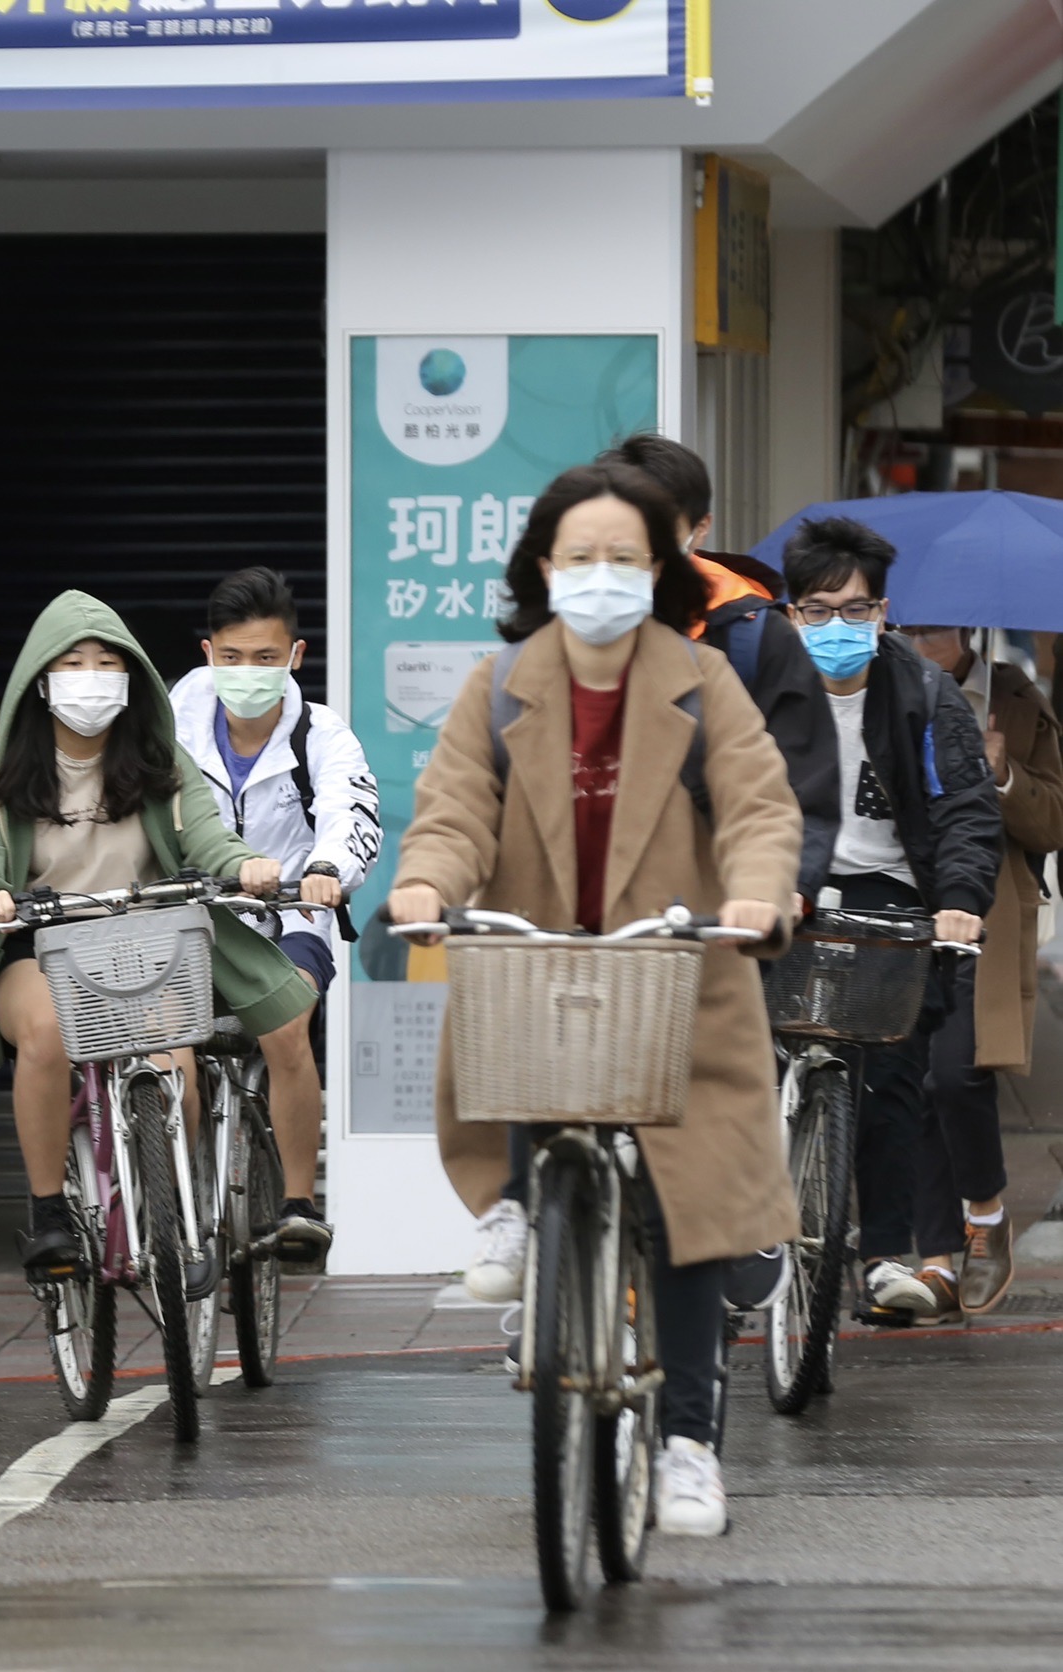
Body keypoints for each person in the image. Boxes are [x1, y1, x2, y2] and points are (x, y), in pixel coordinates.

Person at [387, 461, 803, 1536]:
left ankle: (689, 1443)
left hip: (676, 964)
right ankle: (523, 1201)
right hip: (539, 955)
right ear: (543, 566)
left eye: (625, 557)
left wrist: (759, 897)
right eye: (582, 557)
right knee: (524, 1037)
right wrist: (428, 881)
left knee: (686, 1213)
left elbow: (759, 807)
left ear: (659, 567)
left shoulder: (703, 682)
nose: (602, 576)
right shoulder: (503, 683)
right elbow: (452, 804)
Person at [0, 591, 327, 1271]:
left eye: (107, 663)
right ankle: (49, 1209)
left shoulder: (161, 767)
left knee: (176, 1062)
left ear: (132, 678)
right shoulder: (0, 776)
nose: (91, 677)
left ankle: (178, 1211)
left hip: (149, 945)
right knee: (46, 1034)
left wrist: (245, 865)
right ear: (40, 680)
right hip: (43, 950)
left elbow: (209, 838)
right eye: (73, 663)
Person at [779, 519, 1002, 1324]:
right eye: (819, 609)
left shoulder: (924, 693)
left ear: (883, 611)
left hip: (894, 896)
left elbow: (969, 811)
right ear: (791, 612)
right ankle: (752, 1241)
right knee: (744, 1057)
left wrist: (960, 902)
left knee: (894, 1078)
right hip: (784, 889)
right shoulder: (760, 689)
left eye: (857, 609)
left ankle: (882, 1256)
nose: (839, 626)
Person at [165, 567, 376, 1260]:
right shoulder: (168, 727)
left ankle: (296, 1203)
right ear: (208, 654)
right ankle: (181, 1195)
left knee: (287, 1026)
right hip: (192, 915)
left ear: (296, 656)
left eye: (264, 658)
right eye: (231, 657)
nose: (247, 672)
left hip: (291, 918)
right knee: (166, 1045)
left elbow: (352, 813)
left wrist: (325, 872)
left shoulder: (322, 733)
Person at [890, 619, 1061, 1314]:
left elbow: (1052, 821)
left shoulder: (1014, 699)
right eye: (908, 625)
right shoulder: (878, 689)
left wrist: (1002, 774)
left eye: (932, 628)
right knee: (910, 1073)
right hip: (900, 898)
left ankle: (984, 1219)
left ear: (964, 630)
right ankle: (935, 1260)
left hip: (982, 908)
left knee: (955, 1073)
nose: (919, 638)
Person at [597, 435, 840, 898]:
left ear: (701, 527)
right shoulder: (566, 632)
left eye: (659, 523)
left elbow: (802, 783)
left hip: (719, 904)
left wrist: (786, 888)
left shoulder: (753, 635)